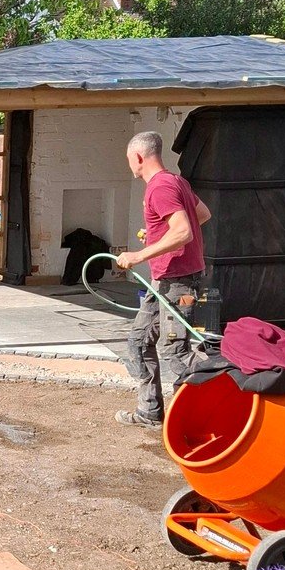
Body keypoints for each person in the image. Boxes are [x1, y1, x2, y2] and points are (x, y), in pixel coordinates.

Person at [114, 132, 211, 428]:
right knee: (138, 342)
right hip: (167, 281)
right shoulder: (177, 181)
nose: (129, 164)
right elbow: (202, 215)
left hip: (179, 283)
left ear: (139, 157)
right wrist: (158, 236)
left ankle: (219, 393)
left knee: (175, 350)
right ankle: (150, 413)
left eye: (129, 159)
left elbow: (184, 231)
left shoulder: (159, 187)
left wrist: (139, 255)